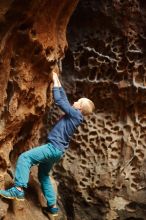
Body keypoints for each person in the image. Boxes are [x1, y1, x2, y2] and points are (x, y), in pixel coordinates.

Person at [0, 71, 95, 216]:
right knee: (43, 175)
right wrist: (58, 82)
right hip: (58, 153)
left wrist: (55, 79)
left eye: (78, 101)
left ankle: (18, 190)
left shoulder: (75, 114)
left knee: (25, 158)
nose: (74, 101)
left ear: (79, 108)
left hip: (52, 148)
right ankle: (53, 207)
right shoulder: (76, 115)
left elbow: (59, 100)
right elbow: (64, 98)